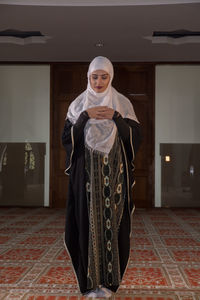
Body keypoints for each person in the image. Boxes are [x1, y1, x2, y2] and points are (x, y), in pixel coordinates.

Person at [62, 56, 141, 298]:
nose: (98, 82)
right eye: (94, 77)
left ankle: (108, 284)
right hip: (86, 176)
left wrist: (116, 117)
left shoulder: (123, 103)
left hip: (115, 177)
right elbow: (67, 139)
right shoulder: (78, 105)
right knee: (87, 226)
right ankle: (90, 285)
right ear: (88, 77)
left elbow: (135, 138)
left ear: (111, 77)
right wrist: (85, 115)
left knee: (112, 228)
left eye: (103, 76)